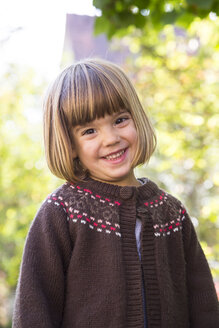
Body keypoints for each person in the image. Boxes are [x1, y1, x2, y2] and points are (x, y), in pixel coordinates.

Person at [13, 59, 219, 328]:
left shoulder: (172, 214)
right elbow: (34, 311)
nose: (110, 138)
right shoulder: (62, 212)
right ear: (70, 144)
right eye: (89, 131)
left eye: (120, 120)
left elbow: (203, 305)